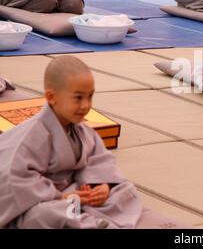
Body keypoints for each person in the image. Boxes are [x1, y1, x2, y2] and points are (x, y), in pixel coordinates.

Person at [0, 56, 143, 228]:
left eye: (90, 96)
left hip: (72, 192)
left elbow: (99, 161)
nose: (86, 105)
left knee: (125, 190)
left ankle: (85, 218)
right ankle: (91, 224)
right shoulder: (30, 137)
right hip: (38, 202)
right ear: (52, 97)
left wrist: (101, 186)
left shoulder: (83, 131)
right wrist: (61, 197)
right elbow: (13, 179)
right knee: (46, 214)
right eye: (78, 98)